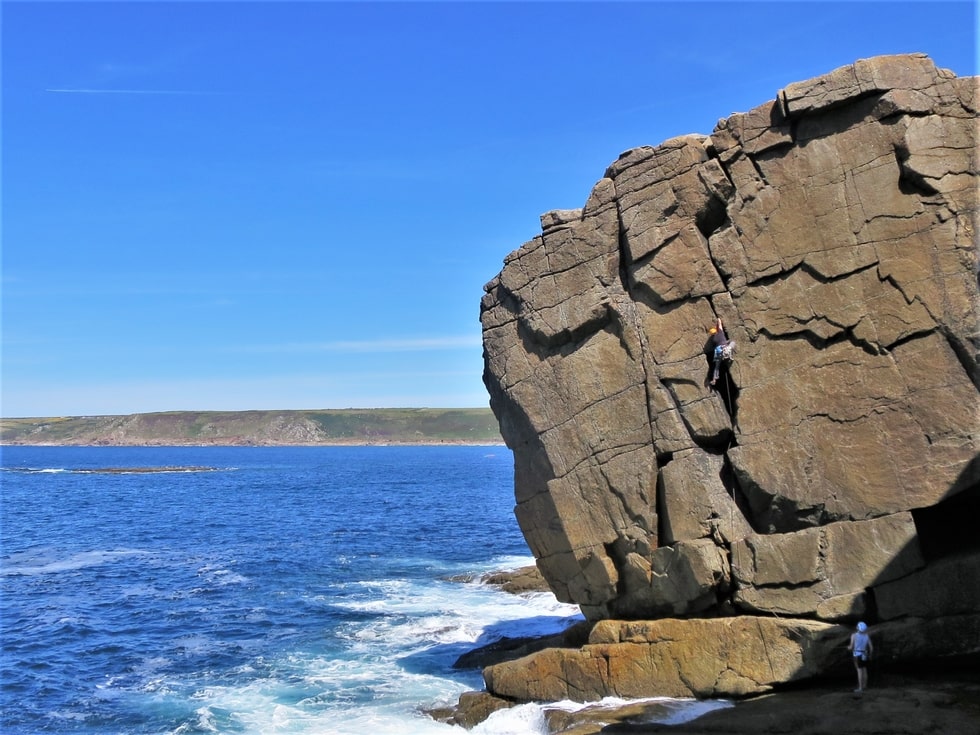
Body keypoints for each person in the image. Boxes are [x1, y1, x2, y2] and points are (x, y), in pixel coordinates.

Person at [848, 621, 874, 692]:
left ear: (858, 628)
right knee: (865, 670)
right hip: (865, 655)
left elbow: (851, 646)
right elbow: (871, 648)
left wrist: (849, 647)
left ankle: (860, 688)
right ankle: (865, 686)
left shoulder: (854, 635)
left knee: (859, 671)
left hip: (857, 655)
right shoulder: (867, 636)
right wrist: (870, 655)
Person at [707, 317, 732, 386]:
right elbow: (720, 324)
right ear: (716, 331)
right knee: (733, 343)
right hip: (724, 350)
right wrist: (718, 319)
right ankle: (728, 356)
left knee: (717, 367)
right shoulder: (720, 332)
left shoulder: (713, 339)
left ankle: (714, 379)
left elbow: (718, 343)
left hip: (718, 352)